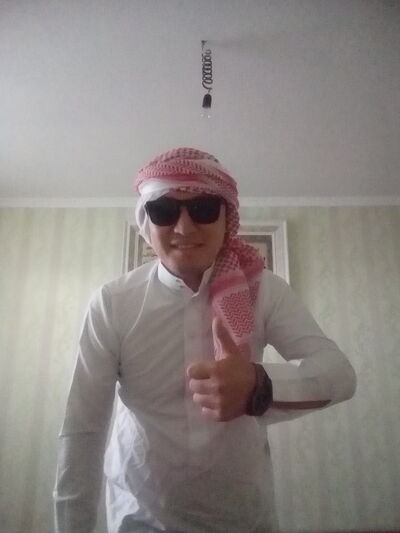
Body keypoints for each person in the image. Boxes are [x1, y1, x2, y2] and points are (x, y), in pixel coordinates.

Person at [53, 147, 357, 533]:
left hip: (243, 520)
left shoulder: (265, 291)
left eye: (203, 208)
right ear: (145, 221)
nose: (184, 228)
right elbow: (83, 428)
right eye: (164, 210)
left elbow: (339, 375)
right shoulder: (113, 303)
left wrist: (259, 384)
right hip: (139, 518)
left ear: (227, 219)